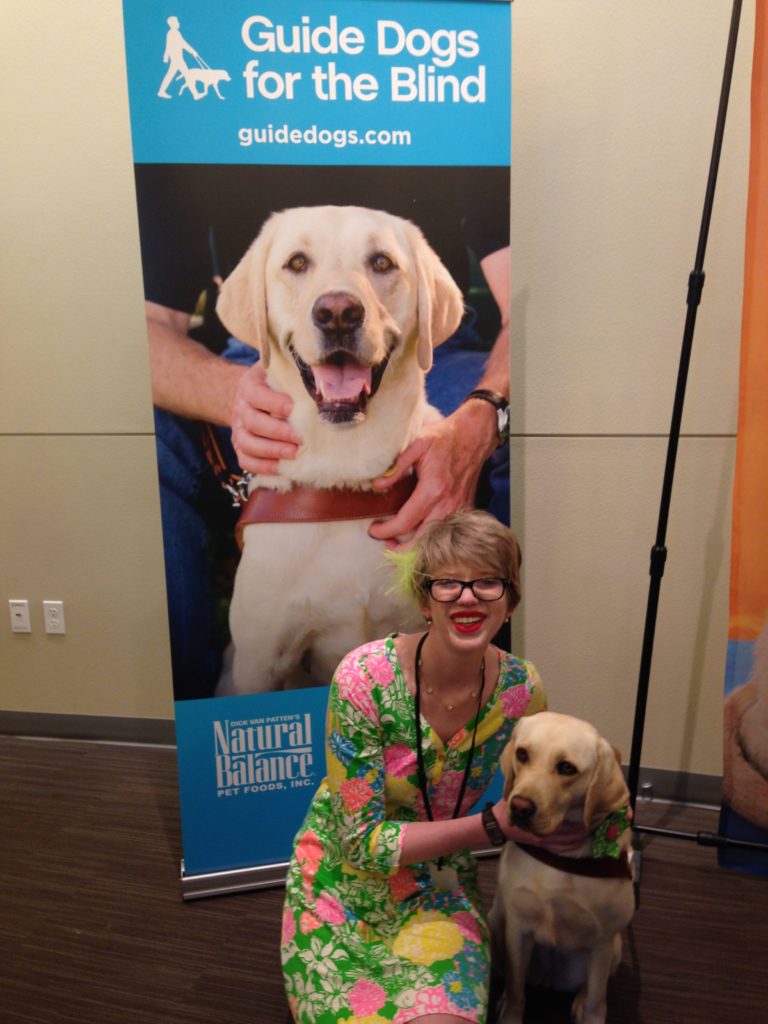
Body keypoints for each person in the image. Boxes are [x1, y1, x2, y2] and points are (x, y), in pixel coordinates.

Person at [136, 165, 512, 698]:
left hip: (423, 354)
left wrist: (485, 413)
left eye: (380, 263)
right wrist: (232, 397)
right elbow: (149, 330)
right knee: (144, 440)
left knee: (518, 435)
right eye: (298, 263)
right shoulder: (183, 140)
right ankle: (196, 731)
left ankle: (486, 715)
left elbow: (525, 306)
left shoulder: (459, 113)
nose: (337, 303)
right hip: (258, 356)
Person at [280, 510, 588, 1024]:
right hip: (340, 886)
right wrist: (490, 826)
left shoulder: (522, 691)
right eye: (448, 583)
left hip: (438, 883)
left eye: (488, 581)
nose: (468, 597)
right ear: (424, 600)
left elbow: (539, 793)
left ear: (510, 600)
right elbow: (361, 842)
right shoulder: (362, 678)